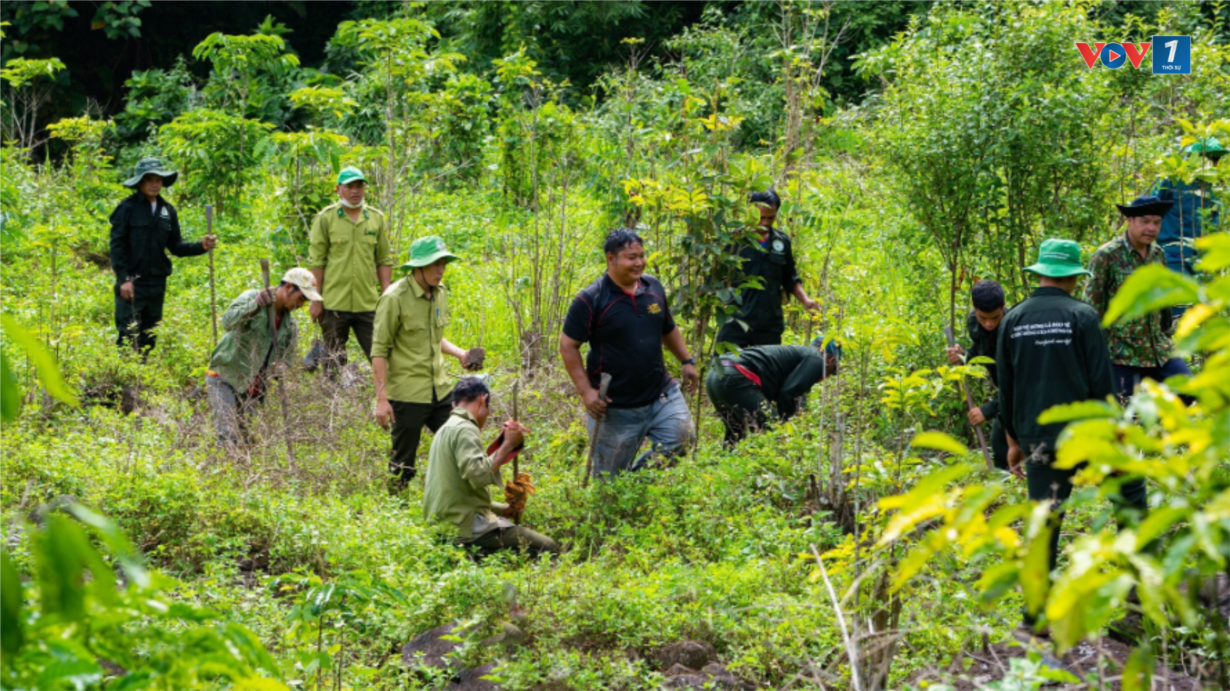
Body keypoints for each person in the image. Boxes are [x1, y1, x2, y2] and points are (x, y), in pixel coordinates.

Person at [998, 238, 1147, 626]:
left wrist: (1014, 442)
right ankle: (1136, 595)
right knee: (1130, 489)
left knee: (1044, 520)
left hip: (1038, 439)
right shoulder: (1083, 316)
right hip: (1087, 433)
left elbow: (1007, 387)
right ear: (1073, 277)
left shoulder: (1013, 319)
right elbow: (1101, 382)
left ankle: (1034, 616)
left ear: (1041, 273)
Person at [560, 228, 700, 478]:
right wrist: (586, 392)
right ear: (610, 259)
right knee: (608, 483)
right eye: (631, 257)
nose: (639, 263)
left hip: (660, 395)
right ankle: (624, 491)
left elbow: (667, 327)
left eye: (641, 256)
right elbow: (568, 345)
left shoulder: (653, 287)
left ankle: (635, 484)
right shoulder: (591, 299)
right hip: (615, 407)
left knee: (683, 438)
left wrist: (686, 360)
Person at [373, 236, 481, 491]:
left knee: (459, 443)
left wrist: (461, 354)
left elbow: (434, 337)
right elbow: (379, 350)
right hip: (408, 394)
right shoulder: (394, 297)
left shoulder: (440, 293)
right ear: (417, 266)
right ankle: (396, 515)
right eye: (434, 264)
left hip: (440, 390)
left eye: (443, 263)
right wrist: (381, 398)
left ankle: (457, 506)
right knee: (403, 465)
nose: (440, 270)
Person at [423, 376, 558, 559]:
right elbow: (477, 475)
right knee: (548, 547)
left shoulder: (445, 429)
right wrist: (507, 445)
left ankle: (472, 556)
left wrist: (503, 510)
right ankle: (474, 556)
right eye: (488, 409)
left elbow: (461, 494)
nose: (487, 415)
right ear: (482, 400)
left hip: (443, 527)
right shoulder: (465, 428)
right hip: (463, 530)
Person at [1084, 195, 1193, 401]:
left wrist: (1167, 332)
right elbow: (1092, 307)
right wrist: (1095, 354)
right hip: (1121, 353)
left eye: (1156, 222)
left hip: (1158, 350)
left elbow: (1162, 303)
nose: (1151, 228)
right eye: (1145, 221)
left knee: (1188, 391)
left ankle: (1158, 429)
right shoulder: (1107, 255)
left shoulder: (1158, 254)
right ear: (1130, 221)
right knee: (1123, 415)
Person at [109, 157, 218, 355]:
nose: (154, 183)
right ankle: (124, 380)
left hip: (157, 283)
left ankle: (142, 374)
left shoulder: (168, 210)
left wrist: (200, 246)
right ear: (139, 182)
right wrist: (124, 279)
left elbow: (176, 245)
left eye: (158, 179)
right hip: (133, 283)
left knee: (149, 335)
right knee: (127, 334)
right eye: (149, 179)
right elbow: (117, 247)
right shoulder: (126, 208)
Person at [205, 268, 321, 450]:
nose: (300, 305)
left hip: (254, 389)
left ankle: (239, 475)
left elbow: (287, 359)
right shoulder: (253, 296)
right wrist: (256, 305)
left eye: (304, 302)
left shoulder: (290, 326)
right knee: (228, 435)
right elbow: (227, 322)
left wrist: (282, 368)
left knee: (247, 442)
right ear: (288, 287)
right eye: (300, 299)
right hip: (225, 376)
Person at [306, 166, 393, 371]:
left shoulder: (375, 218)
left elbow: (383, 259)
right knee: (333, 362)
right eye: (350, 187)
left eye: (360, 187)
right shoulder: (326, 218)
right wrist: (315, 299)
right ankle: (331, 402)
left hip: (368, 303)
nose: (355, 191)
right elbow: (317, 262)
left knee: (380, 357)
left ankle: (386, 400)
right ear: (338, 189)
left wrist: (387, 295)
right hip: (334, 303)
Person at [715, 189, 820, 350]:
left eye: (771, 218)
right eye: (760, 217)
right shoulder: (732, 241)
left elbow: (790, 277)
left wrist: (805, 300)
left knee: (766, 373)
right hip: (735, 323)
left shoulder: (781, 242)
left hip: (769, 325)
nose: (765, 223)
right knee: (727, 371)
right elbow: (716, 279)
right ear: (749, 212)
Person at [705, 336, 841, 446]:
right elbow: (788, 393)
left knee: (735, 436)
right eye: (832, 372)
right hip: (735, 377)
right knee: (773, 434)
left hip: (715, 374)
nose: (827, 377)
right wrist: (787, 428)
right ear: (830, 360)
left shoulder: (801, 354)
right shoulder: (816, 359)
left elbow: (796, 393)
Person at [944, 280, 1011, 471]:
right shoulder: (974, 322)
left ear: (1003, 307)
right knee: (1000, 443)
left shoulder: (1013, 327)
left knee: (1003, 436)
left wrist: (988, 409)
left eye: (995, 317)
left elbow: (1019, 380)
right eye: (983, 318)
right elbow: (983, 352)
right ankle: (1004, 489)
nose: (988, 324)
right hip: (1005, 392)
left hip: (1024, 393)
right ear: (975, 309)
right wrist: (963, 356)